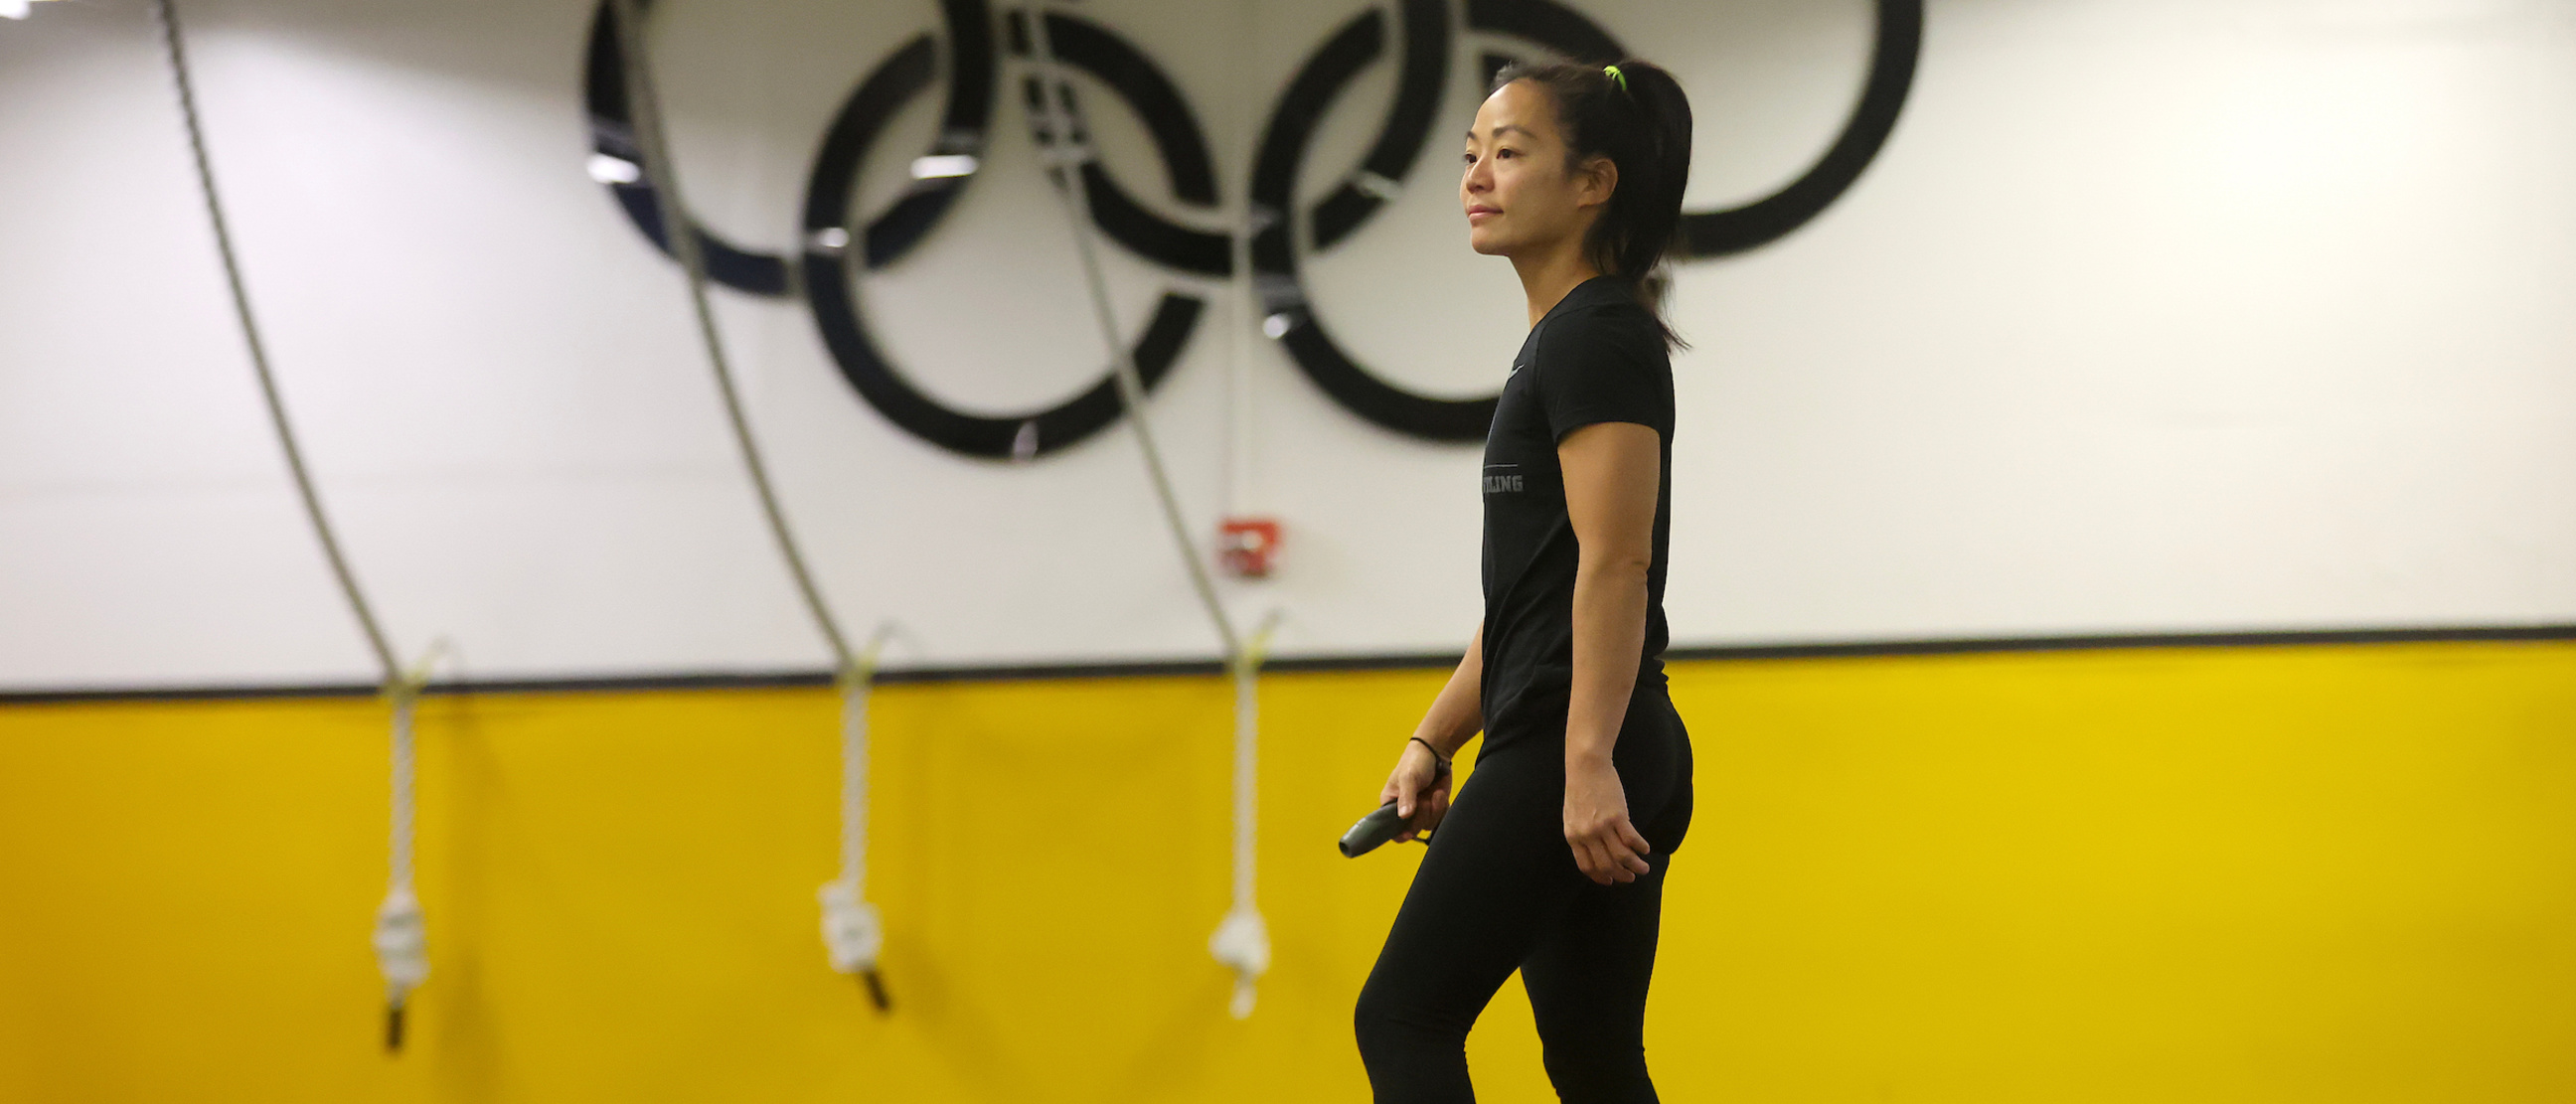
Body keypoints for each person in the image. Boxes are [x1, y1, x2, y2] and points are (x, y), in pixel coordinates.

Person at [1353, 58, 1697, 1104]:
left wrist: (1586, 759)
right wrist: (1433, 736)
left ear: (1594, 182)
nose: (1476, 176)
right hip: (1575, 731)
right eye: (1470, 155)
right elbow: (1530, 599)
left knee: (1403, 1017)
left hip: (1574, 740)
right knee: (1592, 1062)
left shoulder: (1597, 334)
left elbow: (1616, 560)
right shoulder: (1561, 341)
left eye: (1509, 152)